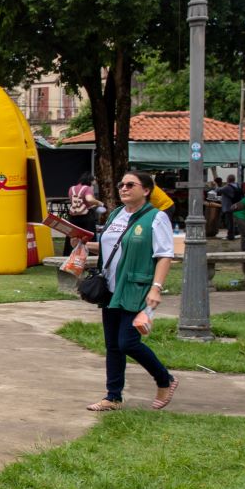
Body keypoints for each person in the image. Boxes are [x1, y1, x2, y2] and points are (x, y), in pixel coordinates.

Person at [85, 170, 179, 412]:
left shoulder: (156, 218)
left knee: (127, 342)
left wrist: (156, 289)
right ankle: (113, 396)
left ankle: (164, 379)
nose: (123, 188)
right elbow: (112, 245)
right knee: (113, 345)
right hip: (111, 289)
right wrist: (84, 244)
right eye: (121, 184)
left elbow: (165, 255)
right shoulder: (115, 214)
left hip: (137, 288)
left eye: (130, 184)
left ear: (146, 190)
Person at [64, 172, 102, 255]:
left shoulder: (72, 188)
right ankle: (90, 258)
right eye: (94, 179)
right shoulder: (88, 188)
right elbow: (89, 199)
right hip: (86, 216)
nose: (95, 181)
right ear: (90, 180)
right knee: (89, 237)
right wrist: (99, 203)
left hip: (73, 217)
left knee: (72, 238)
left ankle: (69, 256)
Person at [218, 175, 244, 240]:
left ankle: (230, 236)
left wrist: (215, 185)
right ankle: (235, 233)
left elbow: (218, 190)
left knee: (229, 222)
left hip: (228, 207)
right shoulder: (237, 186)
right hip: (235, 206)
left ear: (228, 179)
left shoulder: (227, 187)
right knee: (233, 221)